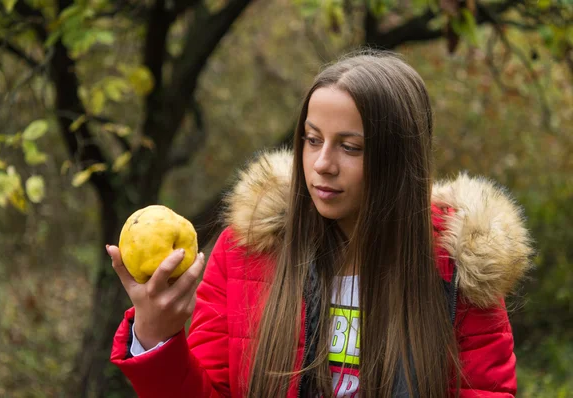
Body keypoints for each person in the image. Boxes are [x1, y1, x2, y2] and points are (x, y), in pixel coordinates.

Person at [108, 50, 533, 397]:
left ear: (399, 160)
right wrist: (156, 337)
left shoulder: (460, 270)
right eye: (312, 140)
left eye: (350, 147)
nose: (322, 164)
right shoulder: (246, 250)